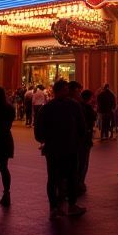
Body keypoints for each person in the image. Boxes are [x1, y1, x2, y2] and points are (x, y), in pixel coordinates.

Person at [35, 80, 87, 218]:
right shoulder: (73, 106)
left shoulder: (47, 108)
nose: (67, 92)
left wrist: (44, 140)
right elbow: (82, 126)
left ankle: (54, 208)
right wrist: (79, 140)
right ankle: (71, 206)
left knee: (53, 178)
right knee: (71, 176)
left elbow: (38, 131)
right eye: (65, 89)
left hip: (53, 149)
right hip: (70, 147)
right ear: (61, 90)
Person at [75, 86, 96, 193]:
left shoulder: (76, 106)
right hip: (84, 139)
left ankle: (76, 183)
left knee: (77, 162)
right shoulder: (87, 108)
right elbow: (93, 119)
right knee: (83, 162)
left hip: (76, 139)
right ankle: (80, 183)